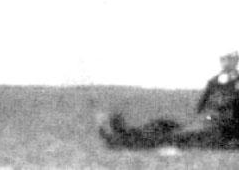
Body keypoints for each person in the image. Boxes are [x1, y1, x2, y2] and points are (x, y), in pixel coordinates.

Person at [98, 50, 239, 150]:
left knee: (174, 137)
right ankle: (125, 132)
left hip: (221, 130)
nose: (224, 62)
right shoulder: (214, 82)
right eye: (222, 59)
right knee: (163, 125)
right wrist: (200, 120)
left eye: (228, 58)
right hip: (204, 123)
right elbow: (200, 107)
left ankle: (122, 141)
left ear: (235, 60)